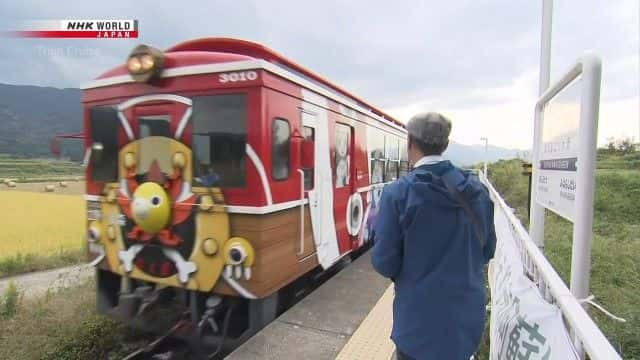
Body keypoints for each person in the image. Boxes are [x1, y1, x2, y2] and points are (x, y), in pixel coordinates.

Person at [371, 112, 496, 360]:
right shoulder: (477, 191)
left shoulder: (398, 194)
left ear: (410, 143)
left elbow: (384, 262)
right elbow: (488, 250)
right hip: (464, 322)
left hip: (417, 325)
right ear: (446, 145)